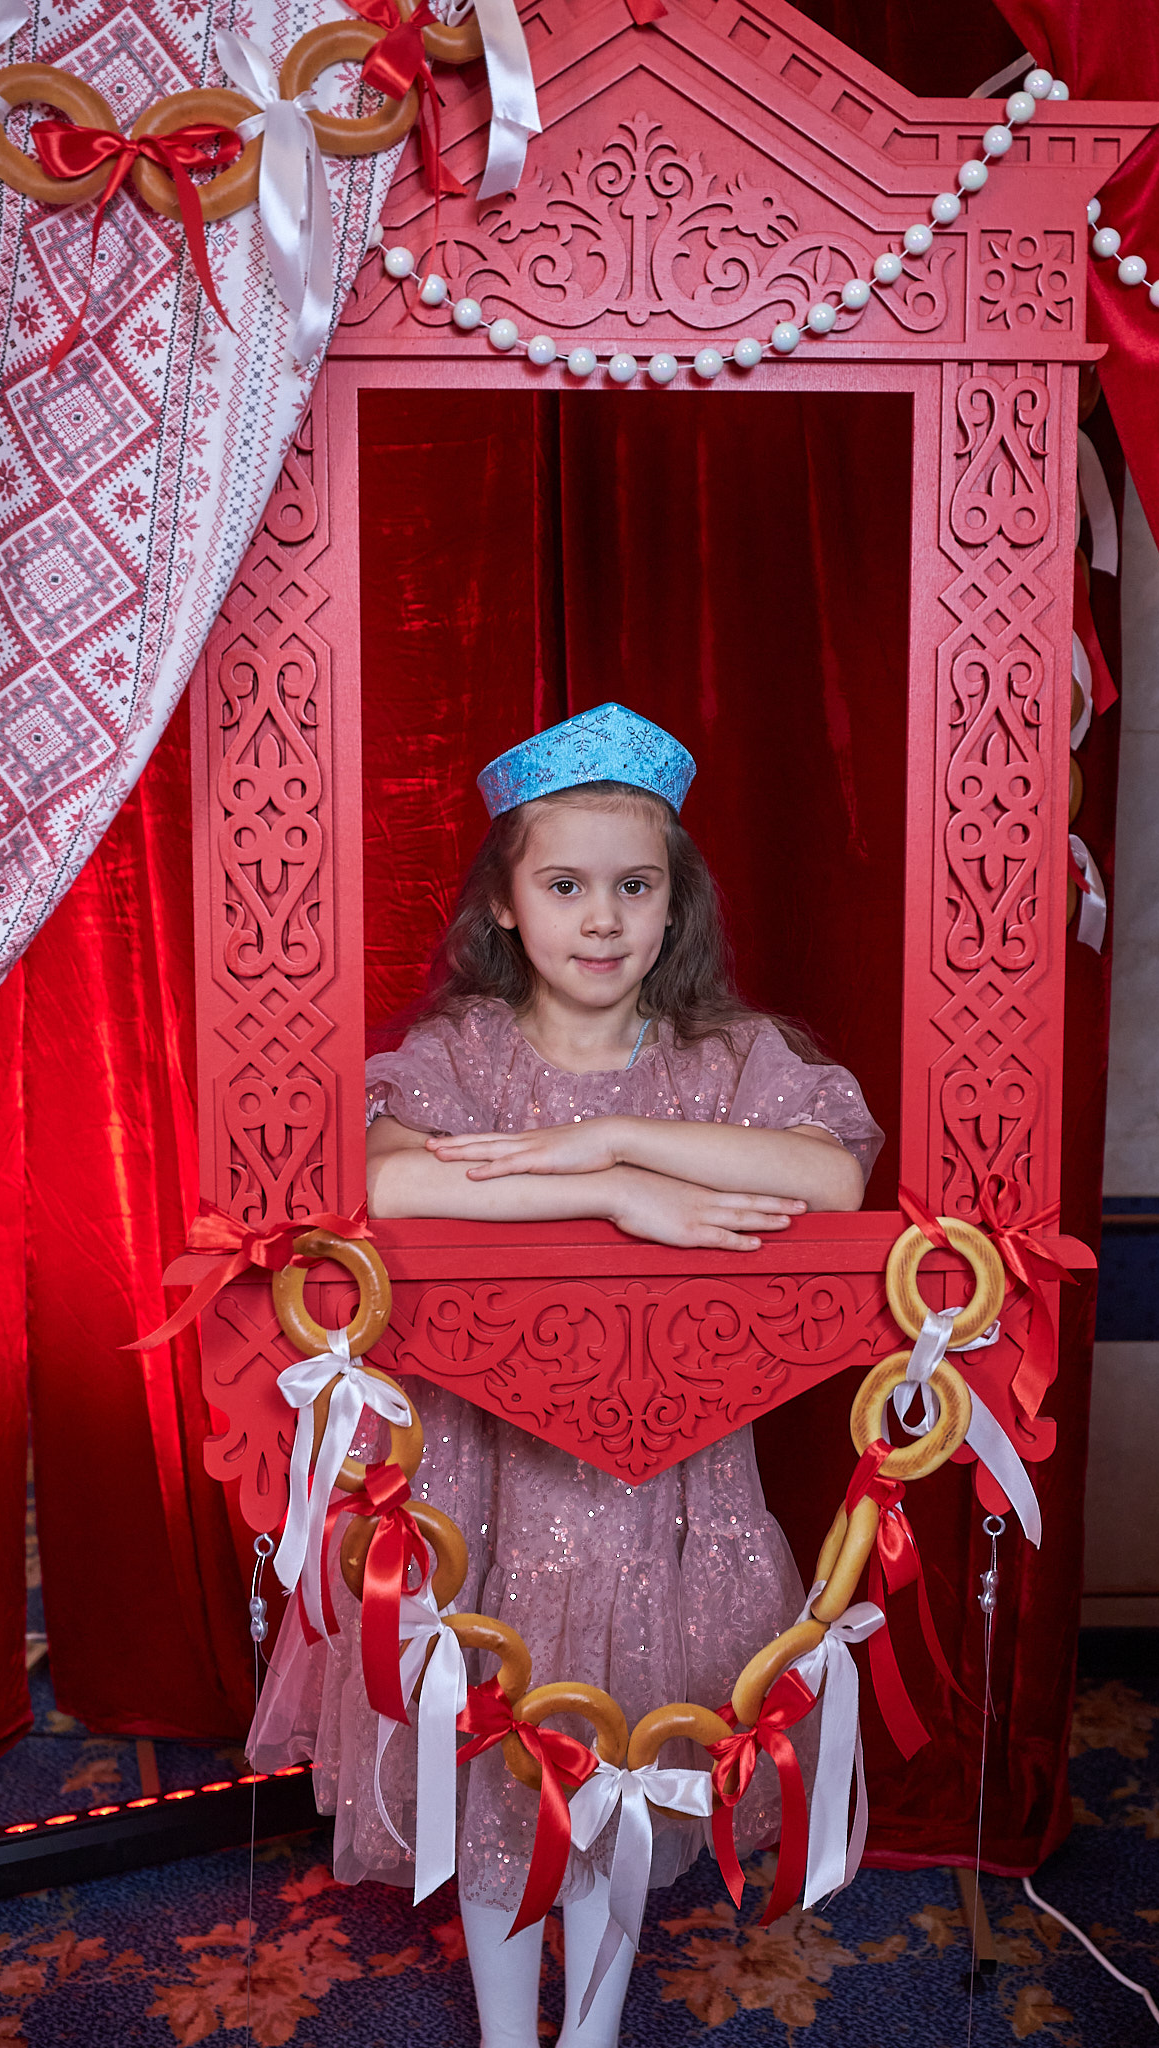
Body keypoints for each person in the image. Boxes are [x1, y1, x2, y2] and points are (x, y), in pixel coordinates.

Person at [250, 704, 884, 2048]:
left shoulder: (724, 1063)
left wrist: (612, 1139)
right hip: (486, 1488)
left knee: (623, 1770)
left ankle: (588, 2036)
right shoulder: (461, 1056)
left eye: (634, 887)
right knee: (499, 1772)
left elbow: (830, 1174)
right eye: (565, 886)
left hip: (667, 1504)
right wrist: (610, 1198)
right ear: (504, 902)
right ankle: (505, 2033)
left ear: (674, 903)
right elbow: (381, 1180)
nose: (601, 920)